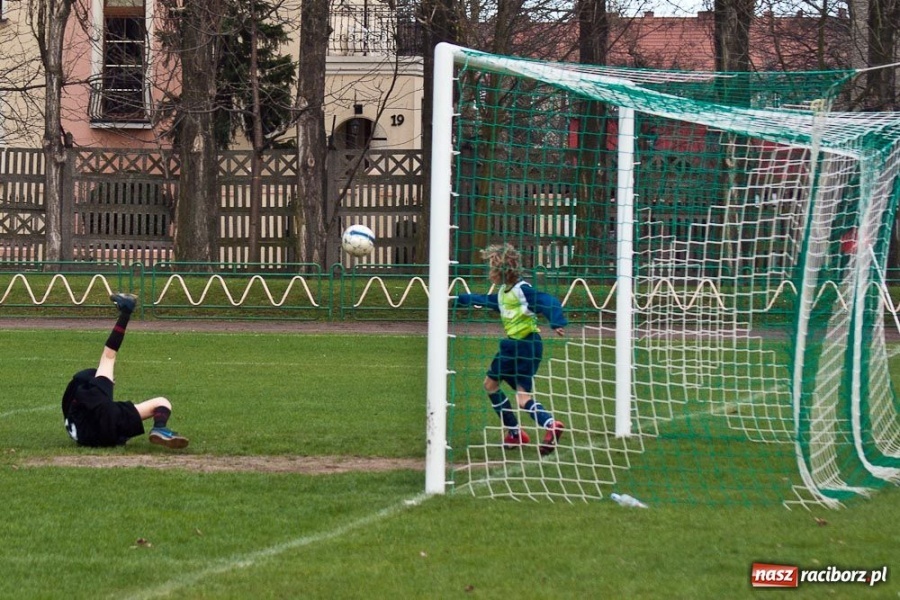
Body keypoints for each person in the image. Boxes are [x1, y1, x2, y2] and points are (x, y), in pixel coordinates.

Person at [455, 243, 567, 456]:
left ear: (502, 272)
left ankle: (515, 433)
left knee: (490, 385)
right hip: (531, 346)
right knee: (522, 397)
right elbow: (488, 301)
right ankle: (550, 424)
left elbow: (546, 301)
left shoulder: (521, 291)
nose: (490, 273)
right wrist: (462, 299)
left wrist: (556, 320)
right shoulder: (504, 293)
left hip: (517, 346)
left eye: (492, 269)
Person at [61, 293, 189, 449]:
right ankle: (160, 427)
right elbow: (109, 352)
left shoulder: (72, 413)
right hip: (108, 424)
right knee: (162, 402)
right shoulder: (93, 392)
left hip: (90, 437)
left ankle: (157, 430)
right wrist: (125, 314)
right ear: (92, 382)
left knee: (115, 415)